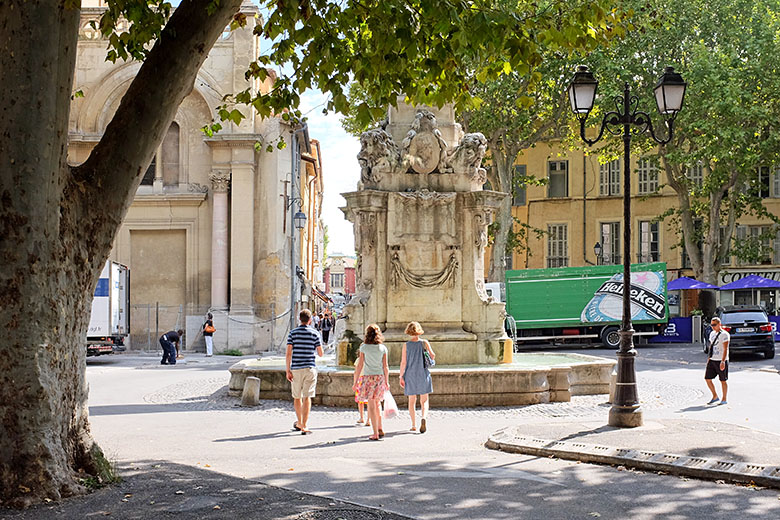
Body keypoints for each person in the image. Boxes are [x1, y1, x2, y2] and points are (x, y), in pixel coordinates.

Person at [286, 309, 325, 435]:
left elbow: (288, 354)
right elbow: (320, 353)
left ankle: (299, 421)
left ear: (299, 319)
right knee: (307, 397)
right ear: (310, 320)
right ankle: (304, 425)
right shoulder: (315, 334)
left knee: (297, 397)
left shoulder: (292, 333)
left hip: (296, 368)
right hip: (310, 368)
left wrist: (288, 370)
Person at [352, 324, 389, 441]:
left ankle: (375, 433)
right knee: (377, 404)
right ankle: (380, 427)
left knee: (371, 406)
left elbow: (360, 365)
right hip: (379, 378)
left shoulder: (364, 348)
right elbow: (386, 367)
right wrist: (387, 382)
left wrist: (356, 381)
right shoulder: (383, 348)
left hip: (368, 378)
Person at [399, 321, 435, 433]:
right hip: (423, 374)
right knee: (424, 400)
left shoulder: (406, 345)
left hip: (410, 375)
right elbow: (433, 356)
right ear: (419, 331)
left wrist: (401, 376)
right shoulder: (424, 342)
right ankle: (423, 417)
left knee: (412, 401)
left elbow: (403, 362)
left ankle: (414, 424)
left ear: (408, 331)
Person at [705, 317, 729, 405]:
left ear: (719, 324)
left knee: (723, 380)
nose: (712, 327)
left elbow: (725, 348)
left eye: (714, 325)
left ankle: (724, 398)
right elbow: (711, 346)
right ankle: (715, 396)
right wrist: (709, 358)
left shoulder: (724, 334)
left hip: (721, 359)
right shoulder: (712, 334)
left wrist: (723, 361)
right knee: (707, 378)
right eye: (711, 325)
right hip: (713, 359)